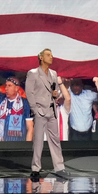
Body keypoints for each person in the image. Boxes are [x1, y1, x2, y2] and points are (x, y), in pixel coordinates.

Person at [25, 49, 67, 180]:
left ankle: (59, 167)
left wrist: (57, 94)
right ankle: (36, 168)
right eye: (48, 55)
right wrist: (35, 109)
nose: (51, 57)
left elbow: (57, 91)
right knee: (38, 141)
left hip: (51, 110)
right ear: (41, 57)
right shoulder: (33, 73)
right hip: (40, 111)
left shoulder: (53, 73)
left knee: (55, 140)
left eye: (52, 55)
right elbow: (29, 92)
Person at [0, 63, 36, 142]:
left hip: (18, 144)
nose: (6, 88)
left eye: (9, 86)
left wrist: (26, 148)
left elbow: (30, 128)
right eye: (6, 86)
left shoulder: (25, 103)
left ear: (17, 88)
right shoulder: (1, 98)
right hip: (1, 143)